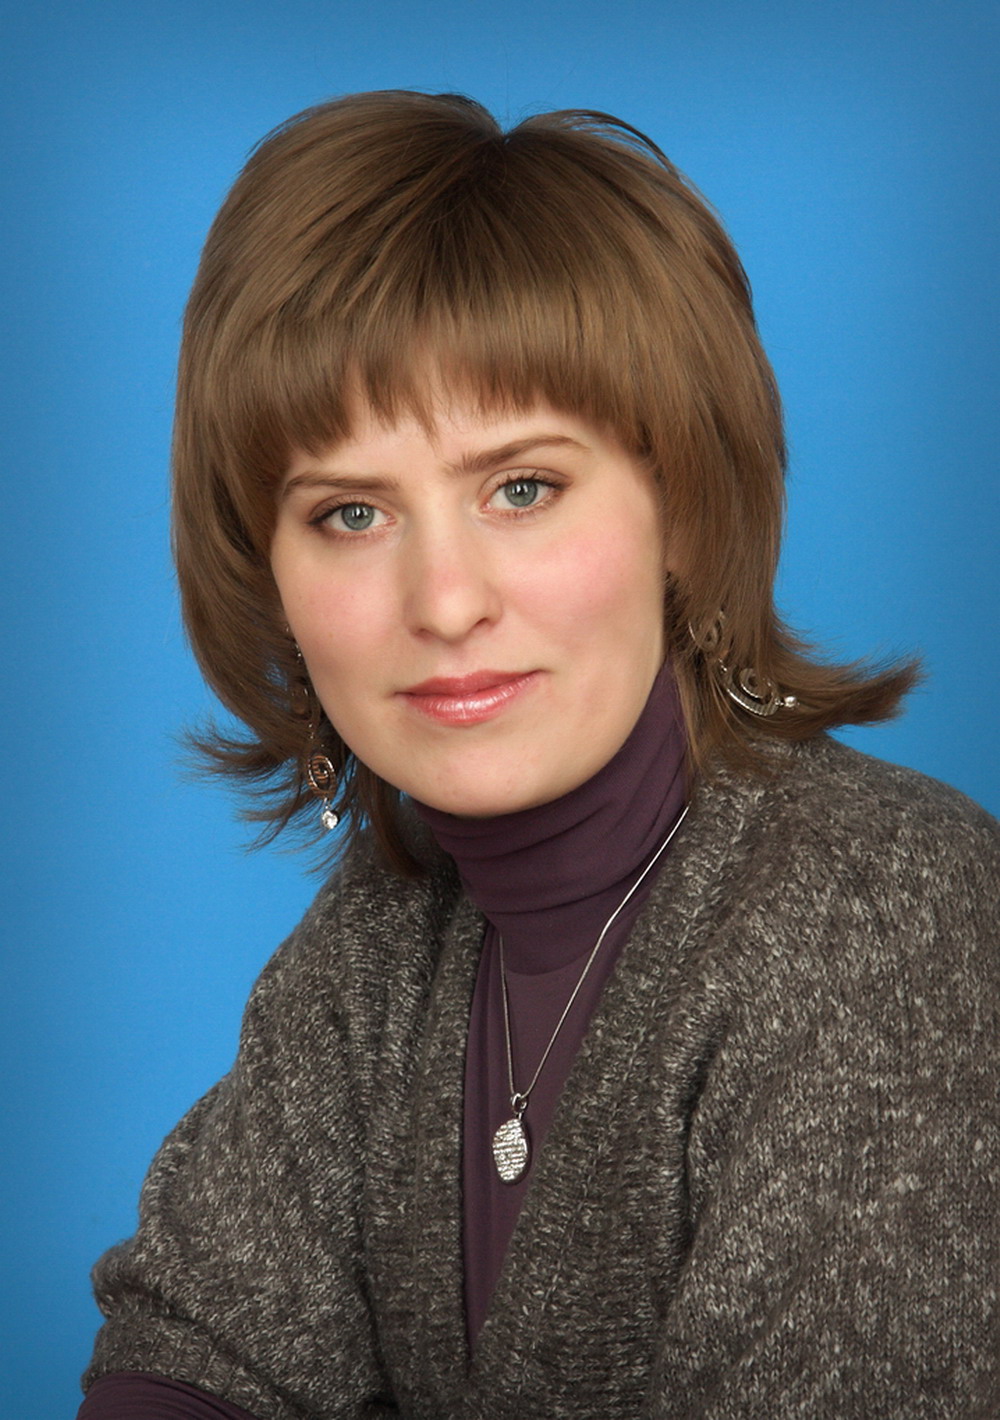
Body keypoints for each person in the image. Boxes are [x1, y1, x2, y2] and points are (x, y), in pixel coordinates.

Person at [77, 91, 998, 1419]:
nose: (445, 602)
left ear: (684, 507)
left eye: (522, 488)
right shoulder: (376, 946)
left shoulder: (887, 915)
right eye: (350, 513)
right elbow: (193, 1358)